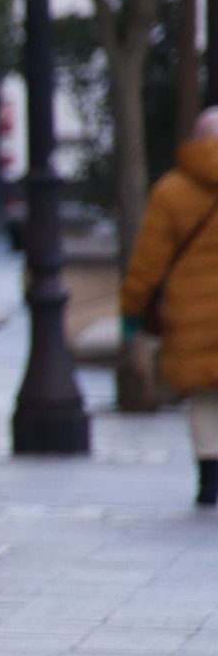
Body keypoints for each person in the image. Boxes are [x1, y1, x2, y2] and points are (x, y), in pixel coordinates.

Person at [121, 106, 218, 507]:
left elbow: (148, 261)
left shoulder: (173, 190)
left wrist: (132, 314)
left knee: (204, 396)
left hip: (190, 312)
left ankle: (210, 477)